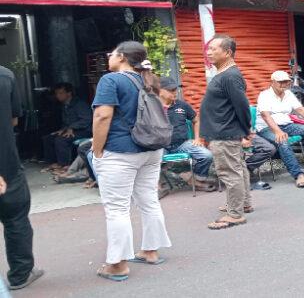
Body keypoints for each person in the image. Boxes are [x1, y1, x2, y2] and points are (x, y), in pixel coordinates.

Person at [91, 41, 171, 281]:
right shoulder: (148, 80)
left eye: (111, 53)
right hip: (151, 149)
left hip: (121, 152)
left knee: (117, 209)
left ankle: (118, 265)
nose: (109, 57)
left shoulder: (111, 80)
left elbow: (102, 115)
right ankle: (150, 250)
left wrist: (96, 150)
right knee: (148, 200)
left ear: (122, 57)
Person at [200, 35, 252, 230]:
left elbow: (242, 106)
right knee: (237, 169)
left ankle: (235, 214)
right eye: (208, 48)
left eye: (213, 49)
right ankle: (242, 203)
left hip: (224, 133)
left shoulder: (230, 76)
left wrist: (246, 130)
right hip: (224, 131)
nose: (209, 52)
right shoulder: (224, 74)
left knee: (230, 173)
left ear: (227, 52)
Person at [0, 65, 44, 290]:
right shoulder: (5, 75)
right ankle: (20, 274)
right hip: (6, 164)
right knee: (16, 219)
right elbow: (15, 119)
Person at [257, 70, 304, 188]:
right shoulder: (264, 95)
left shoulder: (288, 94)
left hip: (287, 125)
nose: (284, 84)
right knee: (283, 141)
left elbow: (301, 110)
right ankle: (298, 175)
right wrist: (278, 131)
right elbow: (265, 116)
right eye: (280, 82)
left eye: (286, 82)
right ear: (272, 82)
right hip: (268, 128)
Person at [158, 77, 215, 192]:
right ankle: (157, 186)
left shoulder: (182, 105)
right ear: (160, 91)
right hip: (160, 146)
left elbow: (196, 120)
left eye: (175, 89)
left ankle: (196, 179)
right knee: (150, 160)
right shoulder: (153, 107)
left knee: (207, 155)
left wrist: (197, 138)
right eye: (171, 90)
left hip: (182, 144)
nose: (175, 92)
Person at [41, 82, 92, 173]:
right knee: (48, 138)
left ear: (69, 93)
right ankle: (53, 163)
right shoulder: (64, 105)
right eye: (56, 93)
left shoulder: (79, 104)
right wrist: (62, 130)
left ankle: (64, 165)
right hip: (72, 130)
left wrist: (72, 127)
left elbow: (87, 119)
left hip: (85, 131)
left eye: (61, 93)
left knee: (61, 140)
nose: (58, 95)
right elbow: (66, 123)